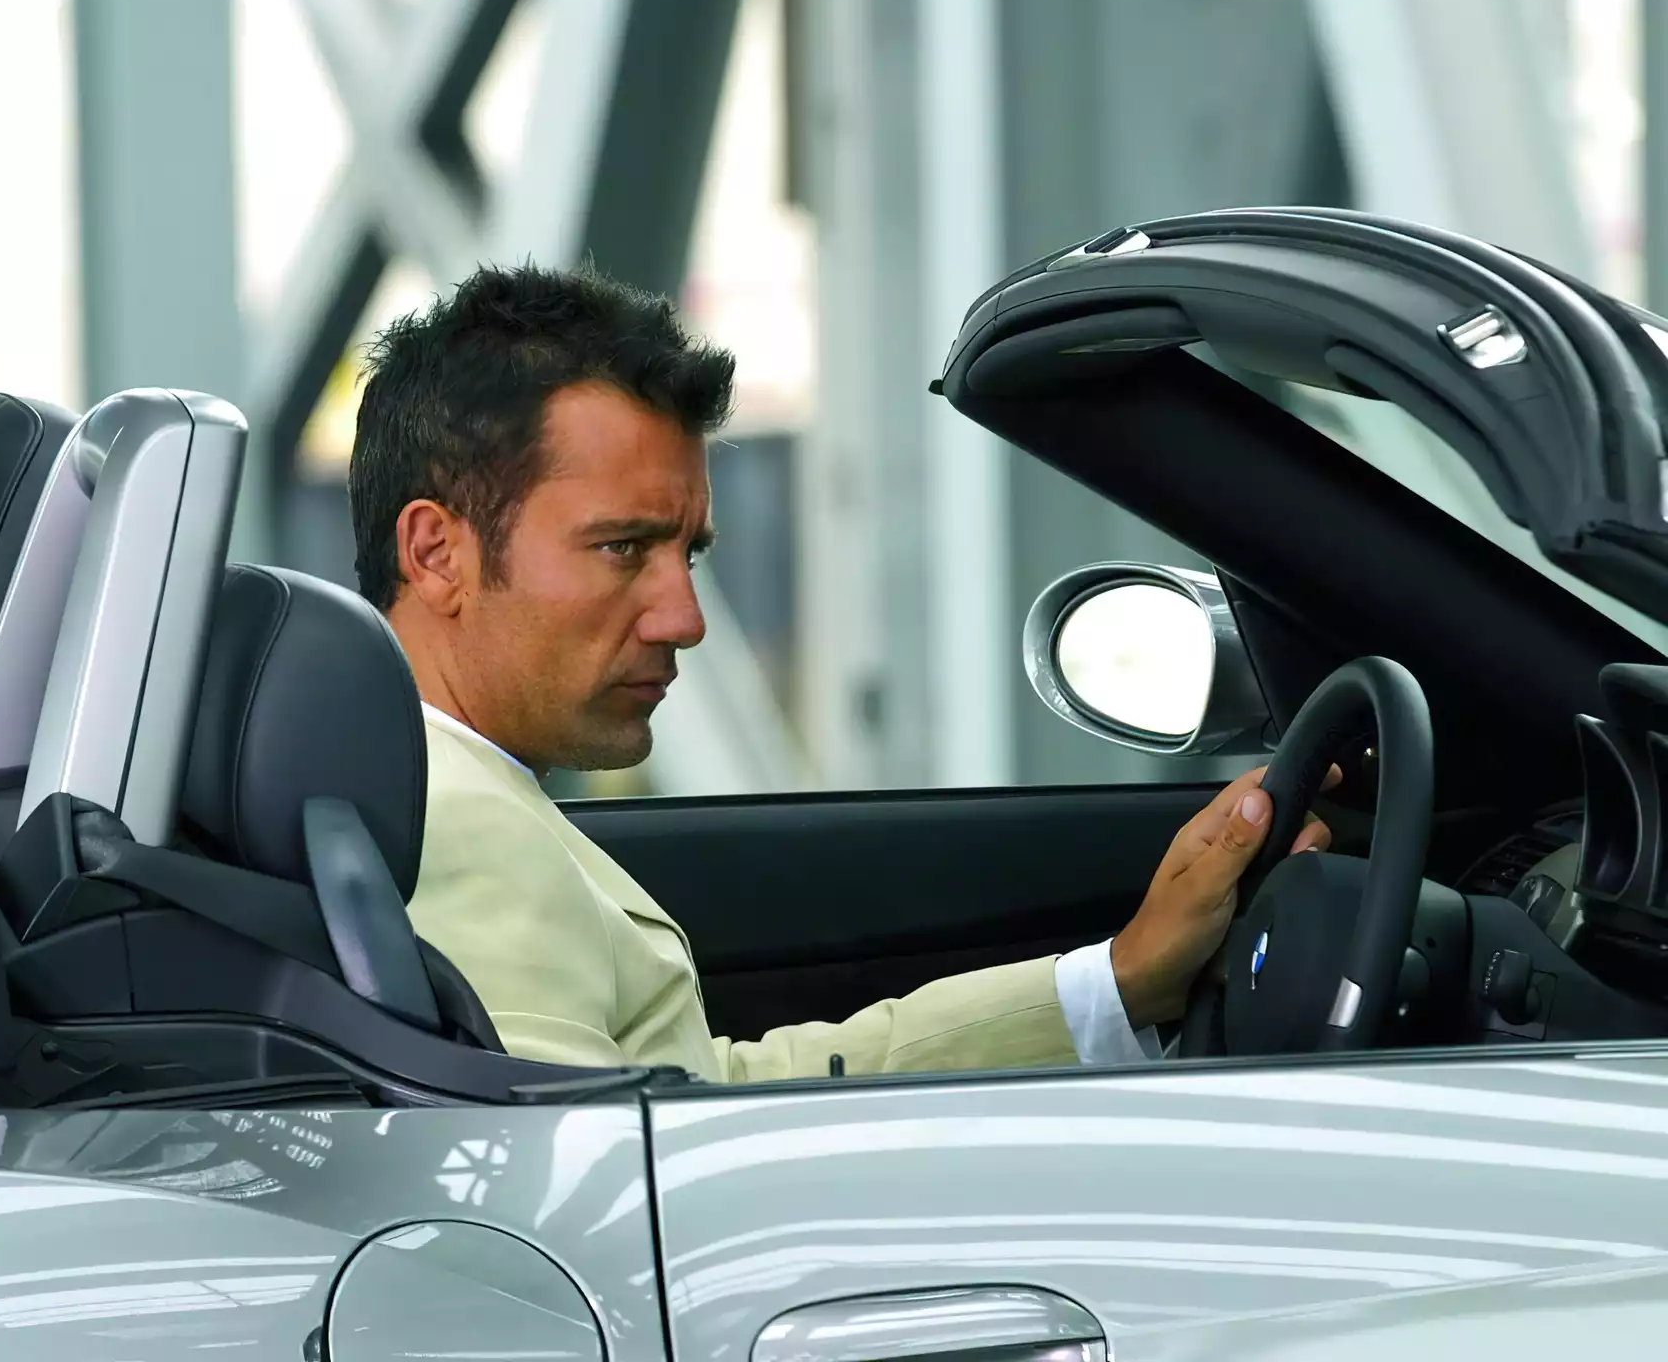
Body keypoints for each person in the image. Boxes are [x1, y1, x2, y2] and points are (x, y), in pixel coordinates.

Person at [352, 262, 1332, 1081]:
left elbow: (704, 1097)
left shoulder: (410, 798)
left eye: (687, 553)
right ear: (437, 553)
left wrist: (1117, 984)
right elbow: (580, 1197)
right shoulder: (454, 827)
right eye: (622, 547)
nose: (685, 618)